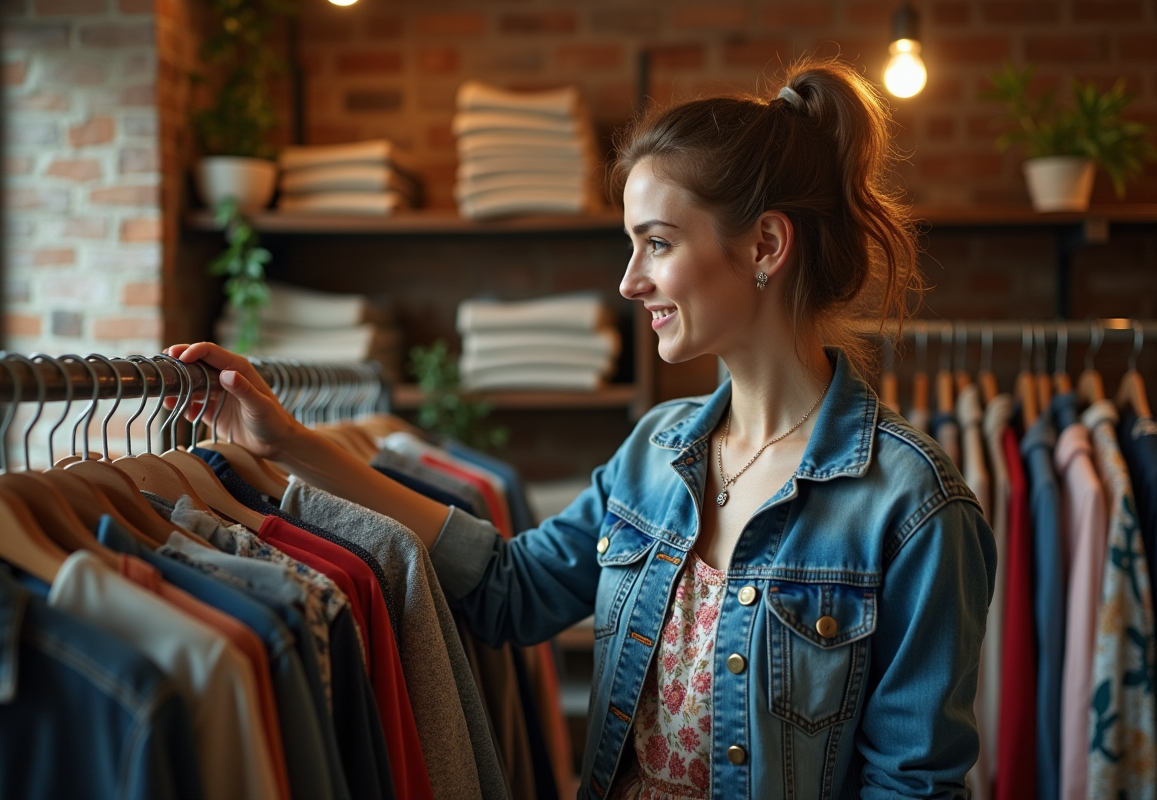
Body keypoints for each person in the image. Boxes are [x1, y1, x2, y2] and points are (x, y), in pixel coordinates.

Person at [169, 58, 996, 800]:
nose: (631, 282)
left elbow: (913, 787)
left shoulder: (912, 507)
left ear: (766, 246)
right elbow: (509, 591)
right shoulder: (656, 452)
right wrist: (288, 446)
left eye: (657, 243)